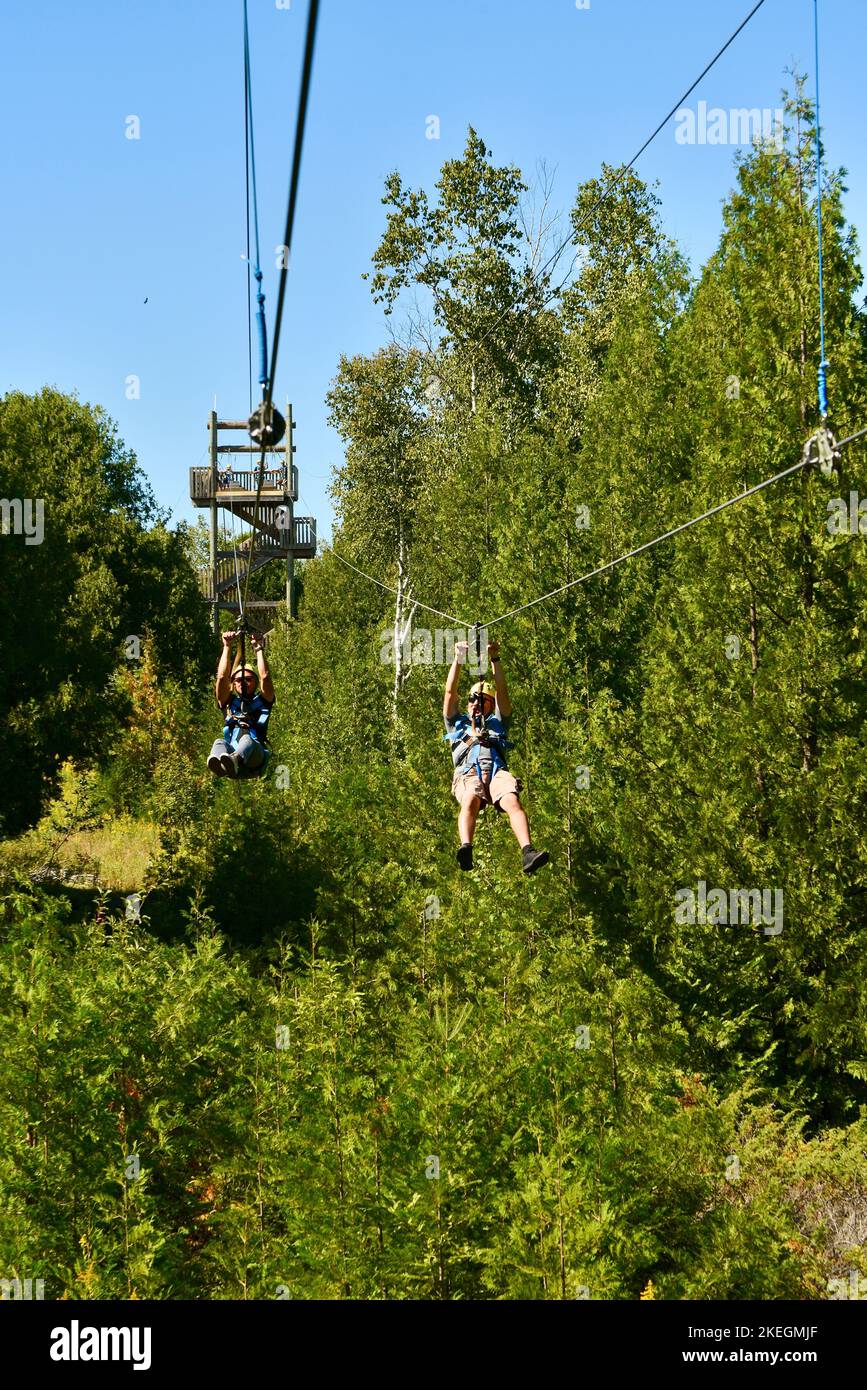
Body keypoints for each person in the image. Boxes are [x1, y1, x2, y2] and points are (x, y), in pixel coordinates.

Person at [443, 639, 549, 874]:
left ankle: (528, 851)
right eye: (472, 700)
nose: (475, 704)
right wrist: (458, 659)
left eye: (482, 701)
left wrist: (495, 659)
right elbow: (450, 691)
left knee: (512, 800)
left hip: (497, 770)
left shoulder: (499, 722)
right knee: (470, 798)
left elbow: (503, 691)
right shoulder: (456, 723)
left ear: (491, 705)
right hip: (468, 772)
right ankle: (466, 847)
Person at [207, 629, 275, 778]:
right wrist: (227, 646)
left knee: (247, 739)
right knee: (219, 742)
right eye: (238, 680)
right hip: (231, 762)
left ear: (256, 683)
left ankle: (235, 760)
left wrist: (258, 648)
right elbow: (222, 677)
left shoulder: (263, 702)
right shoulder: (228, 703)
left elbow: (265, 676)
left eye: (248, 680)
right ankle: (220, 766)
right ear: (233, 684)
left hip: (255, 759)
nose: (243, 683)